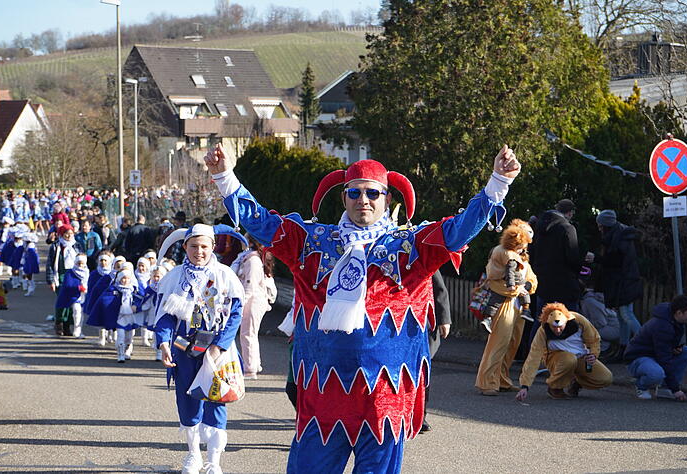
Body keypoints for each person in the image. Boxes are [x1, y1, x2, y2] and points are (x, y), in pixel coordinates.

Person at [205, 143, 520, 473]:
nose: (363, 200)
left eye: (373, 193)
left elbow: (458, 230)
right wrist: (225, 177)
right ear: (343, 198)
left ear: (387, 198)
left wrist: (498, 182)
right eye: (354, 193)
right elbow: (262, 224)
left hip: (386, 394)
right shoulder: (312, 243)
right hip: (323, 391)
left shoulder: (410, 247)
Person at [154, 224, 244, 474]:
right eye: (194, 246)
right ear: (185, 247)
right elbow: (164, 316)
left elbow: (235, 314)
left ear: (212, 247)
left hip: (218, 349)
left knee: (216, 400)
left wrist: (219, 347)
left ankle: (214, 461)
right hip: (184, 348)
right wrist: (163, 341)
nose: (199, 251)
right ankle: (193, 455)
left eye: (204, 246)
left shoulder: (226, 275)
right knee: (187, 401)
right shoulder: (174, 278)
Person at [475, 222, 538, 396]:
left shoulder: (522, 257)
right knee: (498, 344)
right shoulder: (500, 253)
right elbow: (494, 279)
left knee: (512, 344)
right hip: (504, 304)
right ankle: (486, 382)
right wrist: (518, 289)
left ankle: (502, 379)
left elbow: (532, 279)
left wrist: (526, 285)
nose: (524, 247)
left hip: (518, 306)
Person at [515, 303, 613, 401]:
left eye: (560, 326)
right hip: (556, 359)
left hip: (581, 357)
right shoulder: (543, 331)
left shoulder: (579, 321)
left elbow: (594, 339)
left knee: (606, 378)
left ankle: (576, 382)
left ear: (566, 320)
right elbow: (533, 357)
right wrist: (525, 386)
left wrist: (593, 354)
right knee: (569, 359)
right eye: (554, 327)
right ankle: (555, 387)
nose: (557, 331)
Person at [590, 209, 643, 360]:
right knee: (622, 316)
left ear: (606, 225)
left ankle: (645, 343)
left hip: (624, 282)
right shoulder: (621, 235)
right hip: (625, 280)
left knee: (626, 315)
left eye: (600, 225)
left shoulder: (619, 238)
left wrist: (597, 258)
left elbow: (615, 261)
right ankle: (624, 348)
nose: (599, 228)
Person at [623, 295, 687, 401]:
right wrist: (676, 389)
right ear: (679, 313)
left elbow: (665, 347)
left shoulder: (676, 321)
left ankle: (665, 389)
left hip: (654, 354)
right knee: (656, 373)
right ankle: (641, 386)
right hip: (637, 358)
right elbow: (664, 358)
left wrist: (674, 348)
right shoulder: (663, 326)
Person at [232, 233, 277, 379]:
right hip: (256, 299)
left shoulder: (252, 260)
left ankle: (250, 367)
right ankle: (253, 364)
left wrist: (240, 303)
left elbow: (249, 285)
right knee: (250, 333)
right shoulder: (253, 258)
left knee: (248, 333)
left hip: (253, 300)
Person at [530, 199, 585, 312]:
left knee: (542, 319)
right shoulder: (567, 228)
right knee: (571, 319)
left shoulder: (538, 227)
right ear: (570, 212)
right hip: (564, 283)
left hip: (542, 281)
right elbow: (572, 257)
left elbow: (532, 251)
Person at [422, 271, 450, 433]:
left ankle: (419, 417)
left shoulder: (419, 251)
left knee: (422, 373)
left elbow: (438, 286)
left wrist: (444, 319)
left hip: (422, 322)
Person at [46, 225, 84, 336]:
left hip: (74, 277)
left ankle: (68, 326)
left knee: (72, 302)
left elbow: (83, 262)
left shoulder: (77, 246)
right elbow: (50, 264)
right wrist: (51, 281)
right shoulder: (56, 246)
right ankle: (59, 324)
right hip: (61, 276)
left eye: (71, 233)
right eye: (66, 233)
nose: (69, 236)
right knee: (61, 302)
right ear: (62, 234)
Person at [55, 254, 89, 338]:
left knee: (81, 314)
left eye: (82, 263)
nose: (80, 265)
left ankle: (79, 330)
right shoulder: (70, 272)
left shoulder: (86, 272)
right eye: (78, 263)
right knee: (76, 312)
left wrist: (87, 288)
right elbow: (68, 284)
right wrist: (78, 288)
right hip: (72, 296)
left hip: (83, 296)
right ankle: (76, 331)